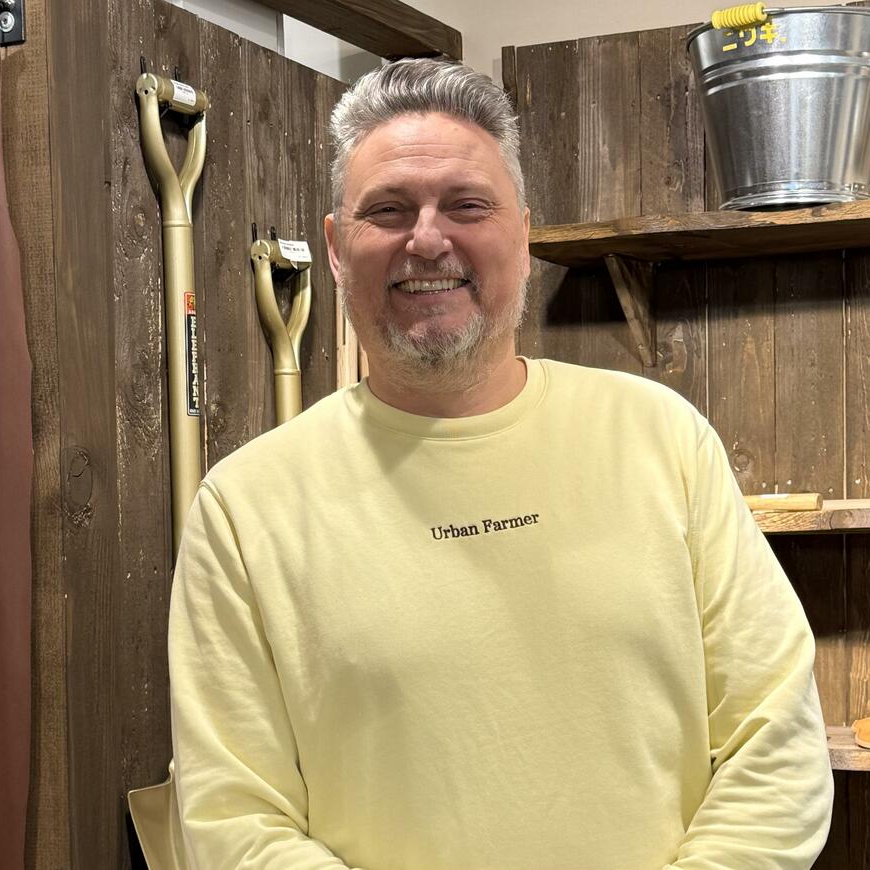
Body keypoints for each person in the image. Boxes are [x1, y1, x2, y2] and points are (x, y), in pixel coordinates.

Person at [168, 58, 832, 869]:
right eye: (388, 210)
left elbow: (774, 735)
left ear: (522, 232)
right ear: (337, 250)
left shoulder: (662, 440)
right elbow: (233, 818)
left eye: (467, 204)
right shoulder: (245, 509)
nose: (426, 239)